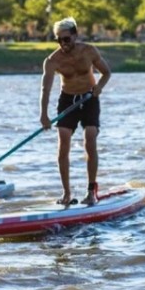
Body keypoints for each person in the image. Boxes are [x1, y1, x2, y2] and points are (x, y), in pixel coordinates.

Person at [40, 17, 111, 205]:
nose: (63, 44)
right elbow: (45, 89)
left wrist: (99, 87)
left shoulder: (89, 51)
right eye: (59, 40)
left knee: (90, 138)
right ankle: (66, 193)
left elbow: (106, 73)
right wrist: (44, 115)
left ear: (75, 35)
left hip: (89, 98)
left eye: (66, 39)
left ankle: (91, 191)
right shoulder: (52, 61)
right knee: (63, 144)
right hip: (67, 99)